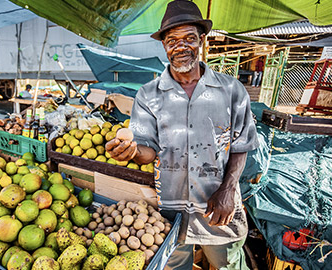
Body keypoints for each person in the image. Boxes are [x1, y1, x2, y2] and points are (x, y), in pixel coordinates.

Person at [105, 0, 258, 269]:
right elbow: (148, 150)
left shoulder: (231, 90)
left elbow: (241, 144)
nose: (181, 46)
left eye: (189, 38)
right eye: (172, 40)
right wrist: (132, 152)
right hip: (171, 215)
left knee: (229, 266)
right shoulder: (148, 95)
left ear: (201, 40)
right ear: (164, 45)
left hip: (218, 210)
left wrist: (228, 189)